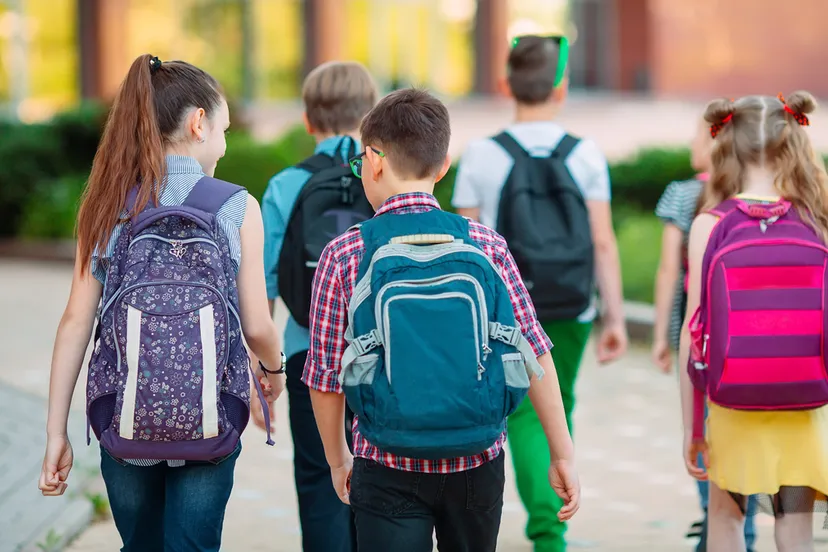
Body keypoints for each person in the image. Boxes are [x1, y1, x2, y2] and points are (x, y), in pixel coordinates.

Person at [303, 88, 580, 552]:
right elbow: (533, 349)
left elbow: (325, 376)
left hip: (385, 459)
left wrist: (338, 460)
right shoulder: (486, 245)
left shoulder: (345, 253)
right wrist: (563, 453)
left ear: (373, 160)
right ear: (444, 164)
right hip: (477, 458)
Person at [37, 54, 285, 552]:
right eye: (224, 129)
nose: (224, 142)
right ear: (199, 123)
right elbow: (257, 325)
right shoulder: (237, 206)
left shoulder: (107, 205)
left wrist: (55, 432)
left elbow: (74, 324)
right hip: (210, 418)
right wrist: (274, 374)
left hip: (123, 419)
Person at [452, 35, 626, 552]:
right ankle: (553, 526)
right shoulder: (586, 153)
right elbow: (602, 240)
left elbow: (468, 245)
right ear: (561, 88)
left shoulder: (483, 154)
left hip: (509, 308)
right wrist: (614, 317)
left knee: (525, 413)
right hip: (573, 303)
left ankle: (548, 530)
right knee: (561, 401)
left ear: (506, 84)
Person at [679, 92, 828, 552]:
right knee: (794, 525)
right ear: (796, 144)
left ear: (724, 146)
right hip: (804, 402)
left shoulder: (711, 223)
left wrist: (693, 429)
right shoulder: (816, 220)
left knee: (725, 519)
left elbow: (693, 334)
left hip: (732, 402)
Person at [257, 60, 377, 552]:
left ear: (308, 120)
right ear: (372, 114)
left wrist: (261, 372)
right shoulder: (383, 174)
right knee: (381, 480)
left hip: (309, 355)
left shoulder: (286, 185)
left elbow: (262, 284)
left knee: (318, 474)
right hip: (381, 354)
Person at [652, 117, 758, 551]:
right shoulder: (753, 199)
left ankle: (720, 524)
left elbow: (667, 270)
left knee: (703, 429)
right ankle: (741, 526)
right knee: (741, 430)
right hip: (748, 341)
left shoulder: (682, 194)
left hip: (697, 341)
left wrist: (661, 334)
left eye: (697, 137)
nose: (692, 144)